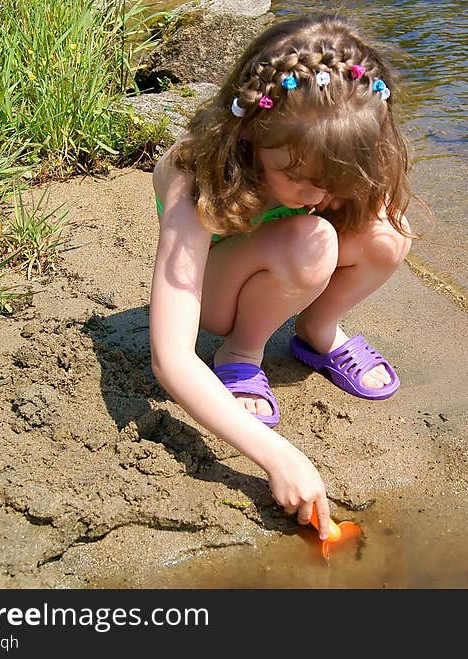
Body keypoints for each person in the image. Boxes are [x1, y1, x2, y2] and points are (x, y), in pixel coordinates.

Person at [149, 14, 417, 540]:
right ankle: (243, 351)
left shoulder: (333, 157)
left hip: (285, 269)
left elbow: (358, 216)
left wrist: (336, 191)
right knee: (311, 241)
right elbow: (170, 358)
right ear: (251, 130)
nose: (316, 195)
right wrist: (278, 458)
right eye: (296, 177)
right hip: (218, 295)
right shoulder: (196, 173)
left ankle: (318, 333)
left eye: (332, 181)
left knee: (390, 232)